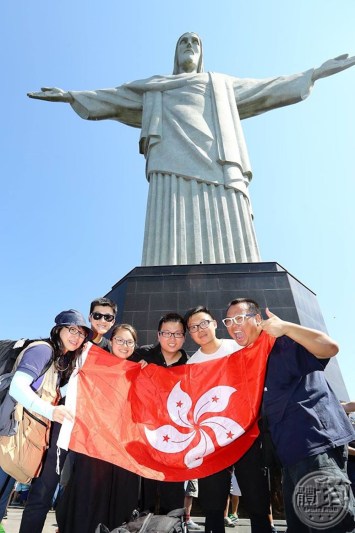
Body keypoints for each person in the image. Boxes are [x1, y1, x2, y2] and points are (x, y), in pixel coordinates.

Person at [27, 34, 355, 267]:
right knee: (168, 231)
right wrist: (70, 95)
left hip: (220, 160)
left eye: (195, 42)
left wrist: (315, 73)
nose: (189, 46)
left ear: (202, 53)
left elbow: (266, 88)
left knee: (233, 228)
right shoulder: (155, 86)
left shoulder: (221, 84)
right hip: (169, 161)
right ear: (175, 53)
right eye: (183, 42)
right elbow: (113, 97)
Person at [223, 297, 355, 533]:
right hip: (289, 459)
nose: (234, 325)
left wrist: (285, 327)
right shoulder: (250, 361)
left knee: (329, 523)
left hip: (316, 448)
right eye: (228, 321)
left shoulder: (283, 342)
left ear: (257, 319)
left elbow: (330, 348)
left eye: (239, 318)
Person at [0, 309, 90, 533]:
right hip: (7, 435)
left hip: (15, 439)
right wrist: (50, 411)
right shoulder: (43, 350)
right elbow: (19, 386)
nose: (76, 337)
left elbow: (59, 391)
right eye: (71, 330)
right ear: (58, 329)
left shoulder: (58, 361)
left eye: (81, 334)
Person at [184, 305, 272, 533]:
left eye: (204, 323)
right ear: (190, 334)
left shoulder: (238, 346)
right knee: (213, 502)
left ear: (215, 323)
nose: (200, 329)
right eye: (193, 327)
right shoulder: (190, 365)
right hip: (212, 442)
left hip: (246, 434)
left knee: (256, 496)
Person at [56, 323, 140, 532]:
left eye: (129, 342)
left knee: (121, 504)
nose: (124, 345)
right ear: (111, 342)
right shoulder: (94, 365)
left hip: (125, 453)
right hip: (94, 450)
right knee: (90, 501)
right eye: (119, 340)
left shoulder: (139, 372)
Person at [131, 313, 195, 525]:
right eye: (167, 333)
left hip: (176, 441)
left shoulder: (191, 365)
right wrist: (131, 370)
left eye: (177, 334)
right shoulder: (141, 355)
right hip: (144, 437)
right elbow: (115, 371)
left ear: (184, 337)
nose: (172, 338)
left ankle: (173, 526)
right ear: (158, 335)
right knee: (145, 496)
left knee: (173, 495)